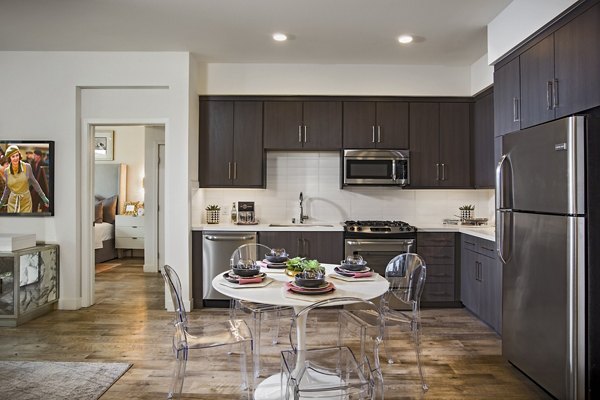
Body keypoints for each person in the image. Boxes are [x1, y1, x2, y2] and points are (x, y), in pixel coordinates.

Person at [0, 145, 49, 213]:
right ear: (9, 158)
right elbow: (7, 188)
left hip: (26, 201)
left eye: (17, 155)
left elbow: (34, 183)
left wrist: (43, 197)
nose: (15, 158)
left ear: (19, 156)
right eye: (13, 156)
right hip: (12, 201)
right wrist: (2, 202)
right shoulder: (6, 171)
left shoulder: (27, 167)